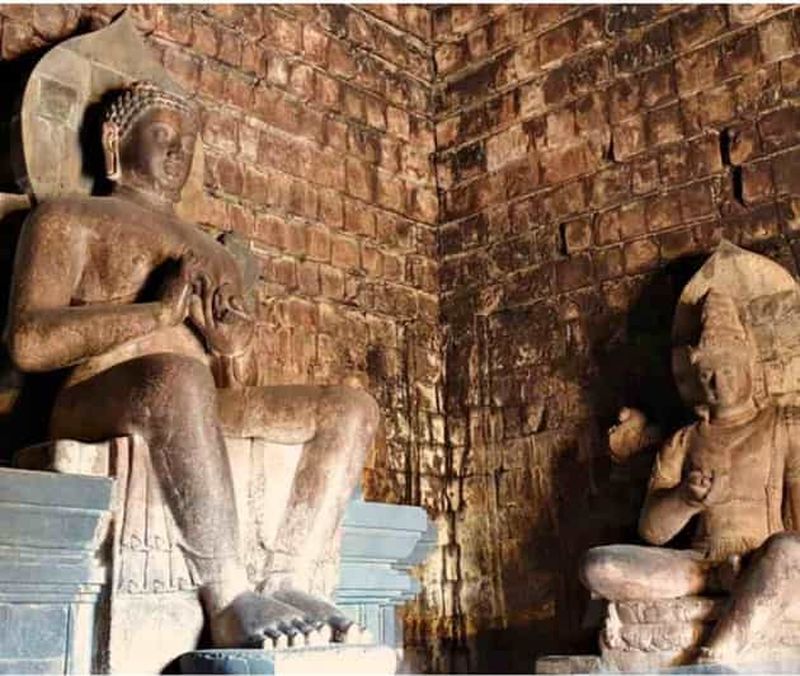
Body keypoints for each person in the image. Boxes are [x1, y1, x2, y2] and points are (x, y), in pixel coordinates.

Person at [5, 81, 379, 648]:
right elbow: (28, 343)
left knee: (351, 409)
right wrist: (157, 314)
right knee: (176, 377)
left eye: (187, 141)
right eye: (162, 134)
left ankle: (290, 579)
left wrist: (228, 342)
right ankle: (228, 594)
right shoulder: (70, 218)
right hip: (99, 392)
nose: (177, 150)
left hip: (190, 397)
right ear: (114, 141)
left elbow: (233, 387)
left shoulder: (215, 254)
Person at [581, 289, 800, 664]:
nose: (719, 383)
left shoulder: (785, 425)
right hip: (701, 567)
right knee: (598, 566)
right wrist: (686, 499)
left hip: (764, 556)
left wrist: (757, 562)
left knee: (789, 550)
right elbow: (652, 532)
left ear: (749, 366)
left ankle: (715, 657)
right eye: (707, 374)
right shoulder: (684, 441)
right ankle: (725, 585)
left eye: (728, 370)